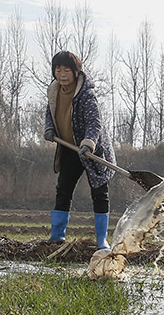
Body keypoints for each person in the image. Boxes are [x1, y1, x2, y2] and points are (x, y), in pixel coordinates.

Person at [42, 50, 116, 249]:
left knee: (99, 193)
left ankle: (102, 240)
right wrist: (49, 128)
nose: (62, 74)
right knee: (63, 190)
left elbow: (95, 122)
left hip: (92, 151)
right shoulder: (54, 90)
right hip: (69, 149)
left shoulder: (86, 94)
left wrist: (89, 142)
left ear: (76, 72)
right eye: (58, 69)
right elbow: (50, 112)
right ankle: (57, 236)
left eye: (67, 69)